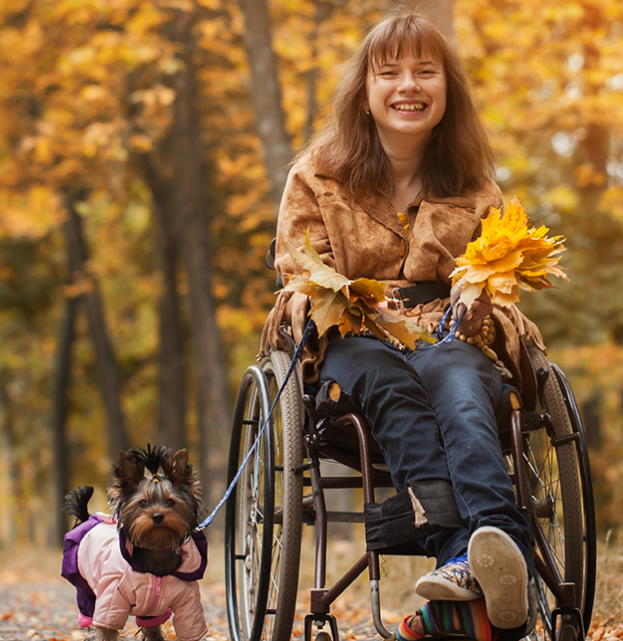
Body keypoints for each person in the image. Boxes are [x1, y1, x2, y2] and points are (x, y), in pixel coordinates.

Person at [260, 9, 546, 640]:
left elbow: (496, 277)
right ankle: (476, 559)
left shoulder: (477, 190)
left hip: (450, 338)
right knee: (389, 379)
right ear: (365, 91)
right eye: (389, 73)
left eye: (426, 71)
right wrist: (335, 300)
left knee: (457, 374)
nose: (408, 86)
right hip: (352, 345)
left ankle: (485, 564)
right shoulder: (316, 176)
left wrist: (476, 302)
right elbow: (300, 269)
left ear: (448, 90)